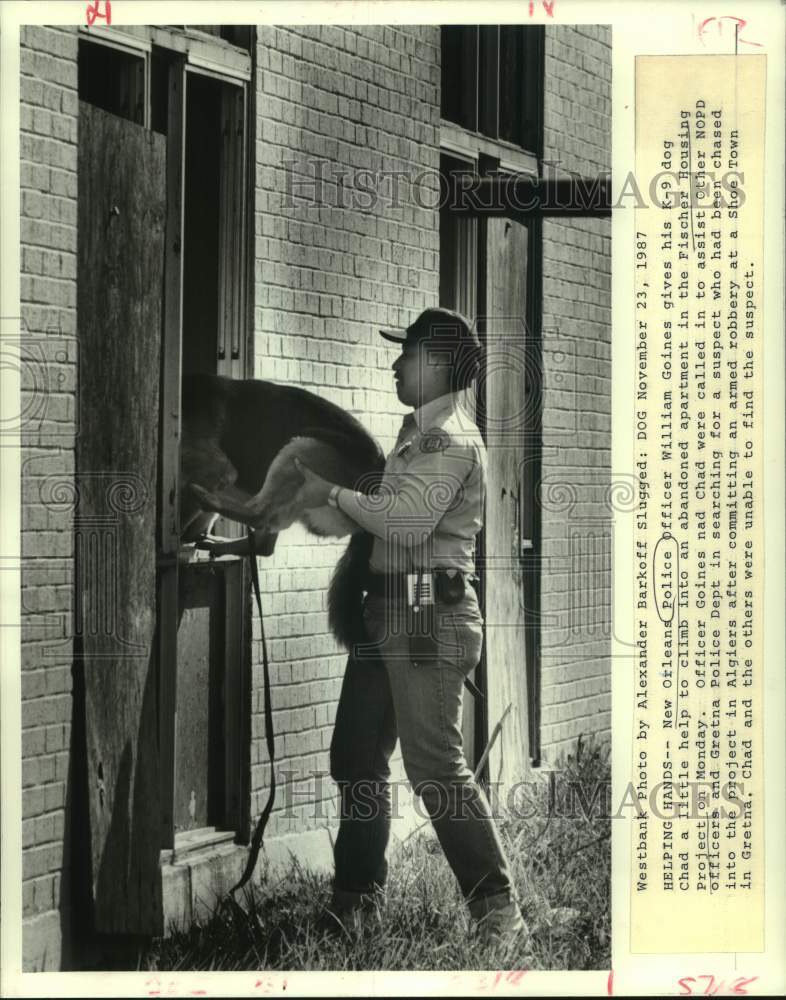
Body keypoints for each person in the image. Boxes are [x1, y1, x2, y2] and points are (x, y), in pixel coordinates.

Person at [293, 306, 527, 949]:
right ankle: (354, 903)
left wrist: (334, 495)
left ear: (439, 364)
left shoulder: (449, 438)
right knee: (357, 756)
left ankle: (499, 915)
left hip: (428, 609)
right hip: (388, 607)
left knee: (434, 768)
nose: (396, 363)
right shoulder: (418, 433)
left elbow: (403, 524)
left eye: (408, 353)